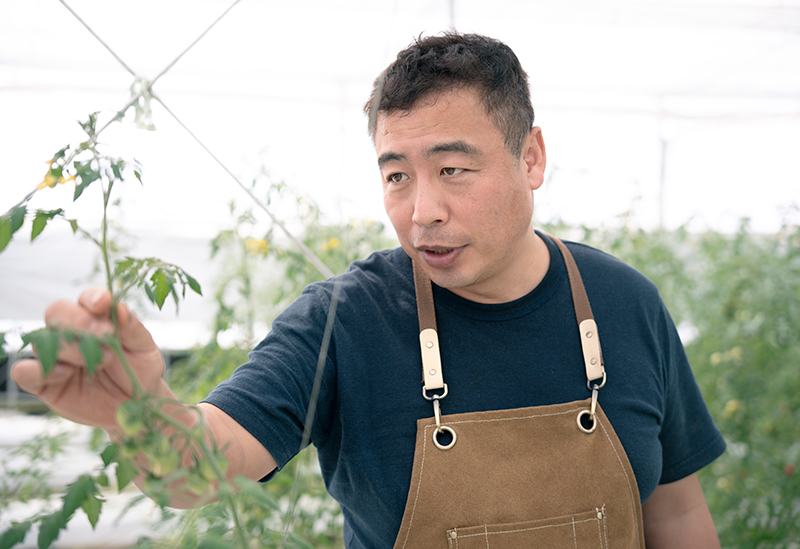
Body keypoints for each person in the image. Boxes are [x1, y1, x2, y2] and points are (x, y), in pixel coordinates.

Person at [12, 32, 725, 548]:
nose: (422, 211)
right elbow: (199, 469)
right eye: (396, 175)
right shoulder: (344, 319)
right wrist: (140, 412)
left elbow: (677, 514)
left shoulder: (625, 303)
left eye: (452, 170)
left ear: (530, 157)